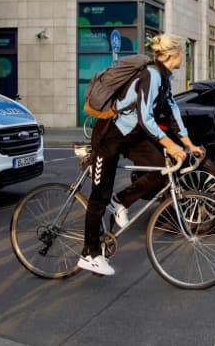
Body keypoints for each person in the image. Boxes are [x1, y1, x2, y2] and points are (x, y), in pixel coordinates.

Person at [78, 34, 205, 276]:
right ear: (173, 55)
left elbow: (172, 111)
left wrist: (188, 143)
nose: (184, 58)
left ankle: (120, 201)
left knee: (161, 170)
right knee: (99, 195)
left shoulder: (165, 78)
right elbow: (146, 118)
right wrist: (170, 144)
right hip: (110, 136)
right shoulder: (150, 75)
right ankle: (89, 253)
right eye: (183, 54)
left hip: (134, 136)